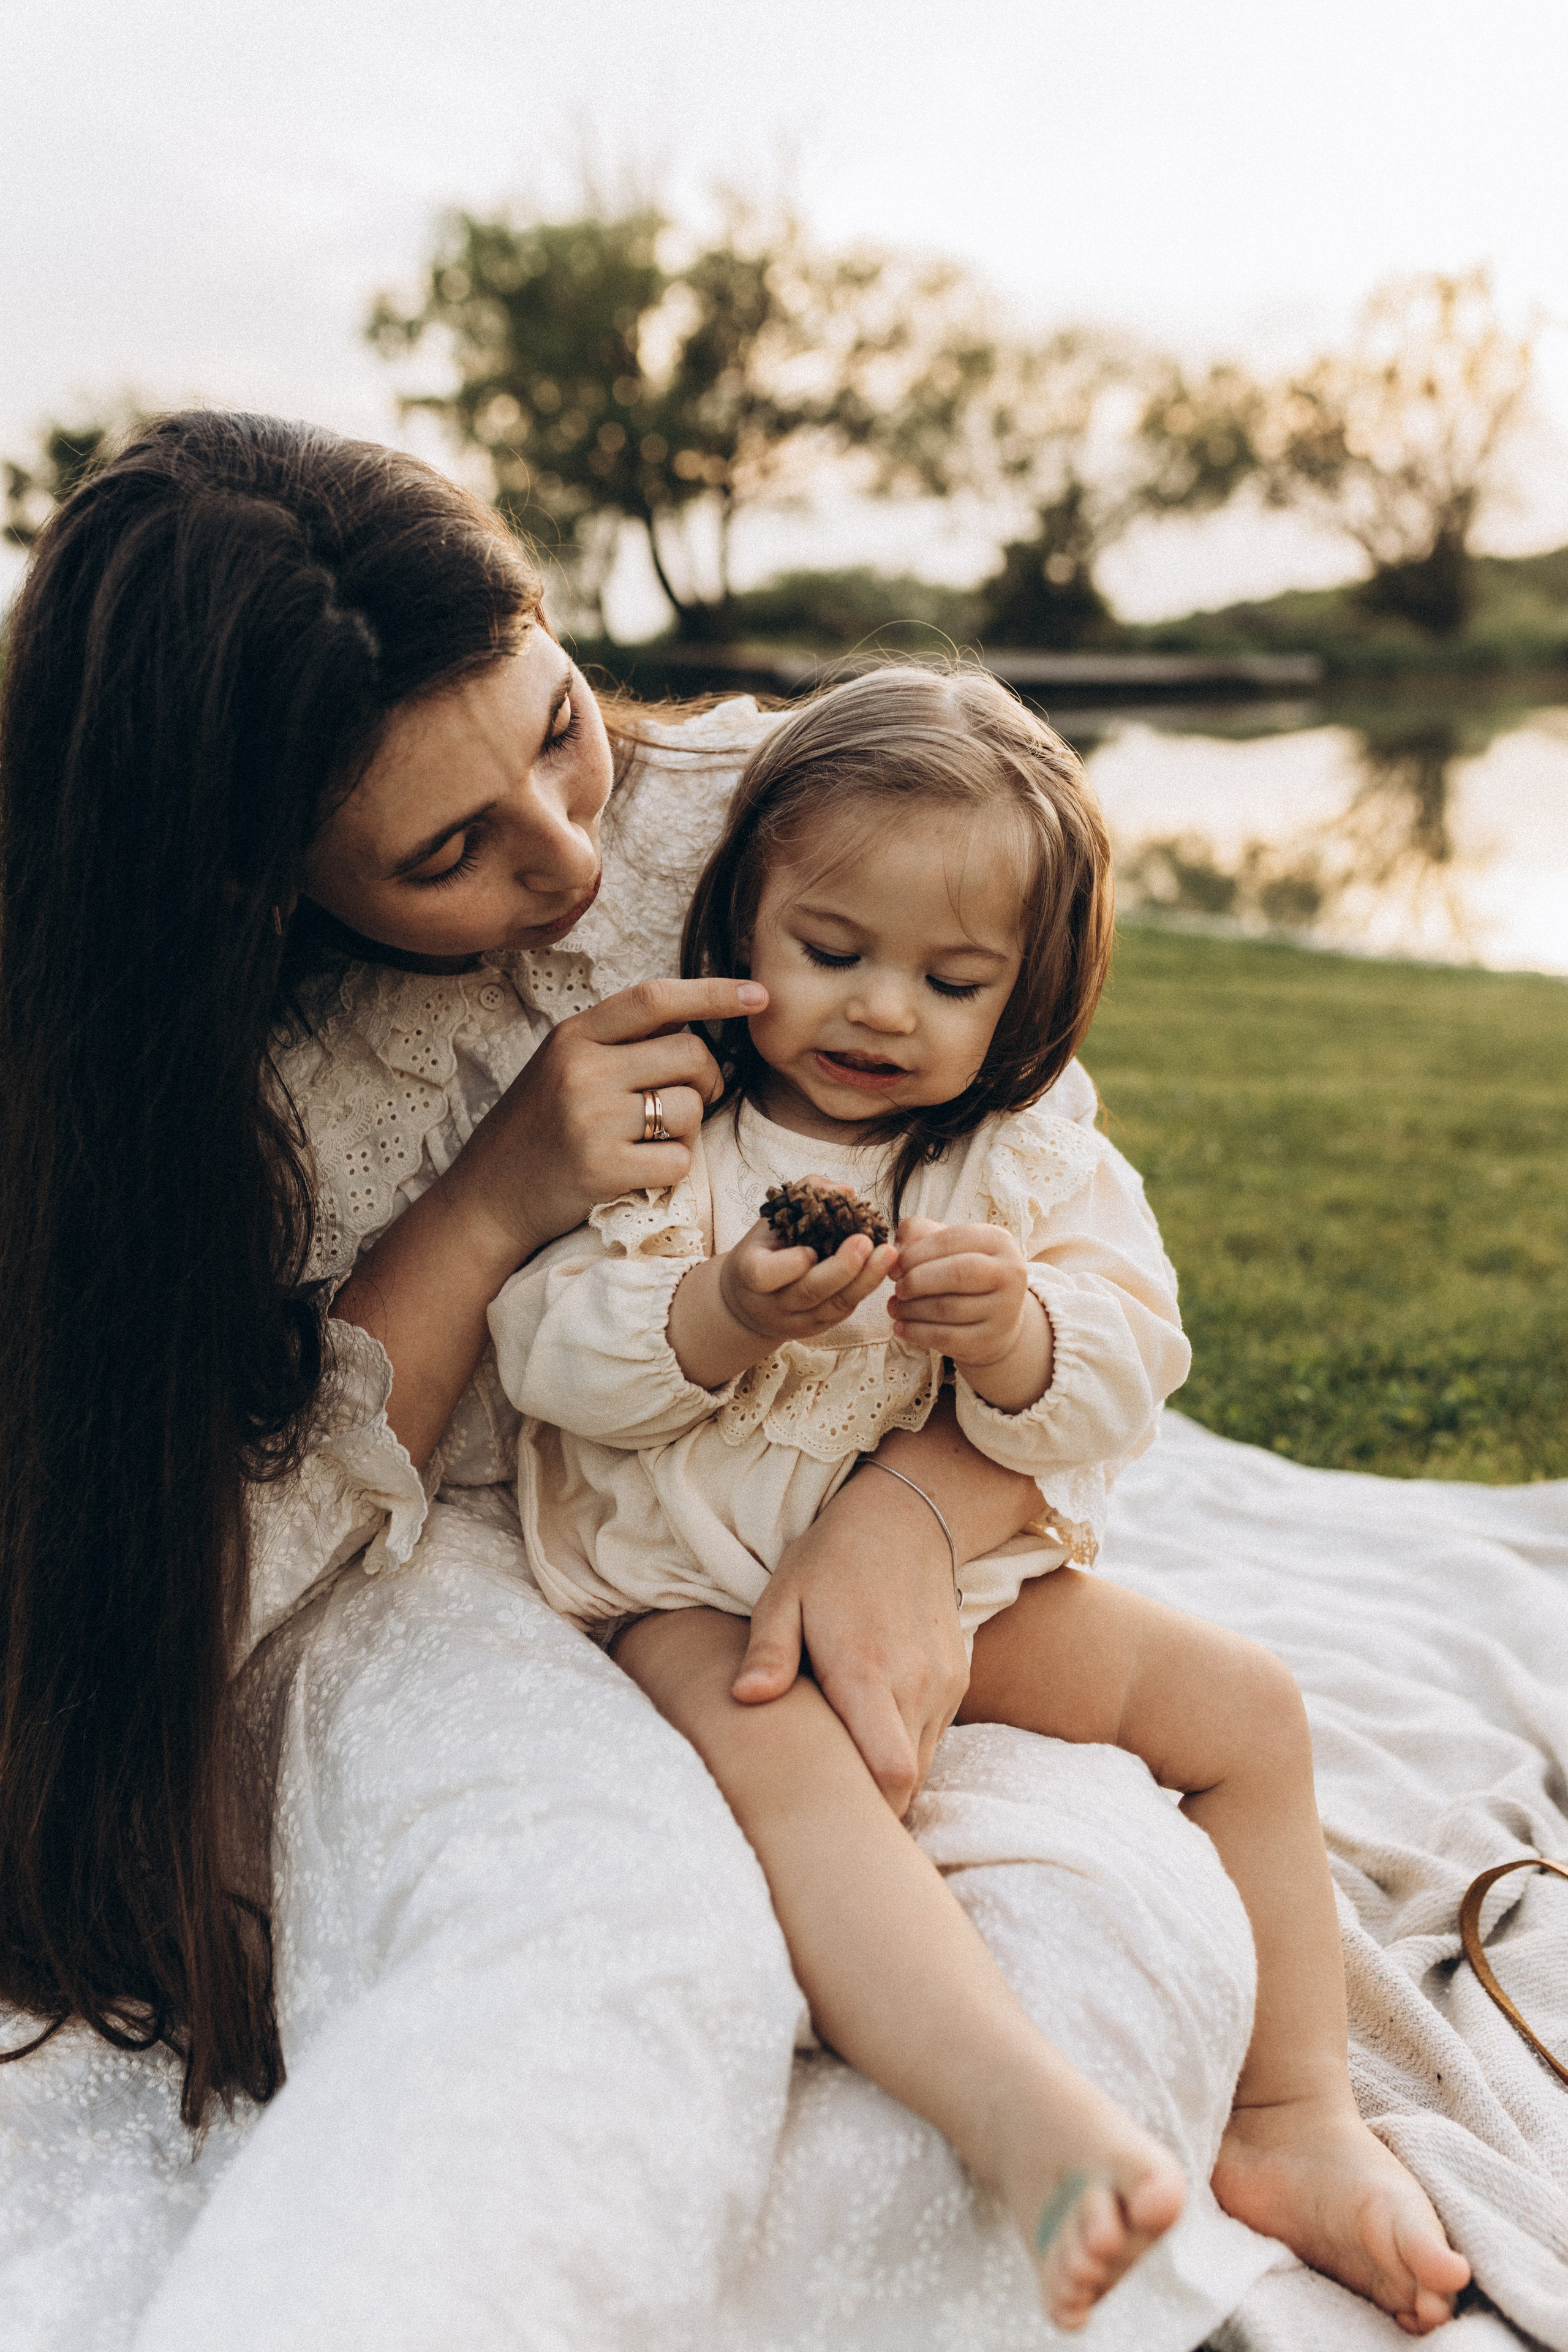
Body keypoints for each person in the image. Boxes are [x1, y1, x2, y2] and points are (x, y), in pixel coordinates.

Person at [0, 413, 1266, 2350]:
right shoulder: (203, 1101)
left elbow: (1043, 1191)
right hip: (449, 1568)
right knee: (613, 1939)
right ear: (253, 886)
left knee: (1111, 1923)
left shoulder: (779, 802)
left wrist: (918, 1513)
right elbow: (221, 1573)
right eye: (450, 850)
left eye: (561, 721)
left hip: (836, 1496)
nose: (574, 856)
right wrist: (498, 1197)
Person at [489, 669, 1472, 2336]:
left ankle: (1295, 2115)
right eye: (833, 950)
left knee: (1246, 1705)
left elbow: (1135, 1354)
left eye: (953, 979)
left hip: (963, 1591)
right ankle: (1028, 2124)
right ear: (744, 920)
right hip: (692, 1591)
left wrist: (1022, 1337)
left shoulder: (1021, 1154)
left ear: (1025, 994)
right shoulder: (682, 1128)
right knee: (804, 1779)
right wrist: (718, 1315)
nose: (884, 1012)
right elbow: (550, 1357)